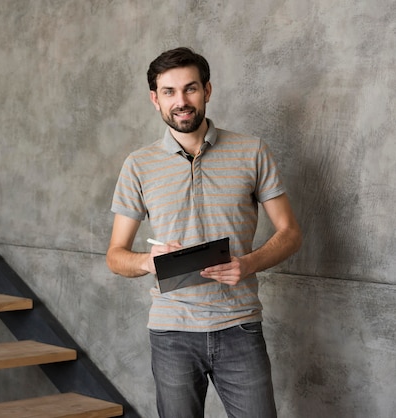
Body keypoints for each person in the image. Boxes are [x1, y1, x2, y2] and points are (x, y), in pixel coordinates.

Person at [106, 47, 302, 418]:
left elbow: (290, 232)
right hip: (171, 333)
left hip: (240, 325)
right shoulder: (138, 166)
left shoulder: (251, 151)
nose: (181, 101)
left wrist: (247, 263)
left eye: (190, 88)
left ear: (207, 91)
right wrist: (149, 261)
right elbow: (115, 255)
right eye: (169, 92)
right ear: (155, 99)